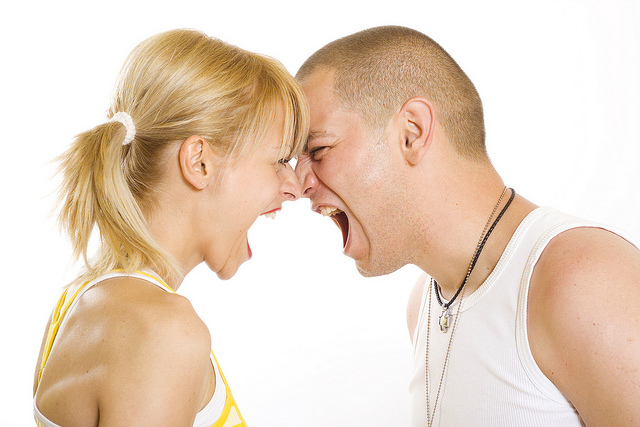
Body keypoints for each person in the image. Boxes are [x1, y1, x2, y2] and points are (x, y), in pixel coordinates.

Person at [294, 25, 640, 426]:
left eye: (318, 149)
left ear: (411, 133)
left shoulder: (584, 279)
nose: (298, 184)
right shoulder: (423, 305)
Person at [33, 29, 308, 427]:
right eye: (279, 160)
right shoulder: (162, 332)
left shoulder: (77, 300)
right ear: (199, 162)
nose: (294, 186)